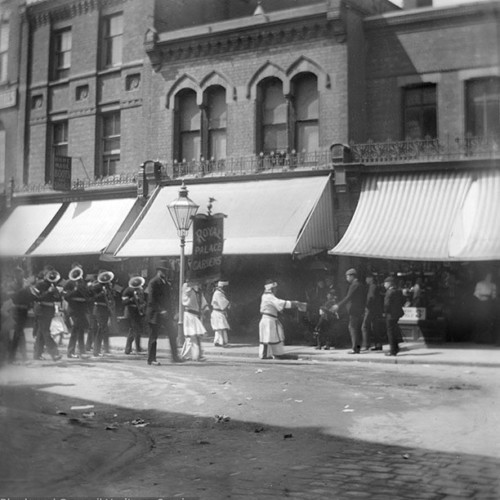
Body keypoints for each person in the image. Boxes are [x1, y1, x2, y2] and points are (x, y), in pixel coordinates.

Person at [258, 280, 306, 360]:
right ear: (271, 288)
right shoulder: (268, 296)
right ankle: (265, 355)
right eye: (275, 288)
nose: (276, 290)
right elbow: (282, 303)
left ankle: (278, 353)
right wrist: (296, 303)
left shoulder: (268, 296)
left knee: (275, 337)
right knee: (267, 337)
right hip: (268, 320)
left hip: (271, 320)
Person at [145, 266, 180, 365]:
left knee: (172, 334)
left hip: (166, 314)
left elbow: (169, 300)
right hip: (155, 314)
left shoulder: (166, 283)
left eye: (166, 271)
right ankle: (151, 359)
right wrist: (161, 310)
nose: (164, 273)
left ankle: (175, 357)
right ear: (158, 271)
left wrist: (171, 312)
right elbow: (151, 299)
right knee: (153, 337)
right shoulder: (153, 282)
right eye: (163, 271)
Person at [331, 268, 367, 354]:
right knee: (356, 328)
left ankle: (355, 348)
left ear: (352, 276)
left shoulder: (354, 285)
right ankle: (357, 347)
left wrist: (338, 305)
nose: (347, 278)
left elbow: (348, 297)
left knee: (352, 328)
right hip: (359, 309)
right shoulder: (361, 285)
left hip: (354, 310)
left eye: (347, 276)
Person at [32, 271, 62, 362]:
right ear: (46, 276)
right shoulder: (40, 285)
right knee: (46, 332)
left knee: (41, 332)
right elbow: (37, 298)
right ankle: (54, 353)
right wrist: (48, 292)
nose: (52, 278)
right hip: (41, 310)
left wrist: (56, 293)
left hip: (49, 311)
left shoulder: (54, 286)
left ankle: (37, 354)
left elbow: (58, 299)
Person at [64, 269, 91, 359]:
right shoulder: (69, 283)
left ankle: (82, 351)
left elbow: (87, 296)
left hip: (81, 310)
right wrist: (75, 290)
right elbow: (66, 296)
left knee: (81, 331)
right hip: (73, 310)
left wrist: (86, 288)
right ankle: (70, 352)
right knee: (75, 330)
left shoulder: (83, 283)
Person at [180, 281, 210, 361]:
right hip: (189, 314)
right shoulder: (187, 286)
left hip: (196, 315)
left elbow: (202, 300)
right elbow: (185, 296)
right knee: (192, 335)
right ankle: (193, 355)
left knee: (194, 336)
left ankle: (191, 355)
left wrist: (205, 309)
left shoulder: (198, 290)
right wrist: (192, 285)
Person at [8, 283, 37, 363]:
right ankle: (14, 358)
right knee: (18, 335)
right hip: (17, 312)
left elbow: (34, 297)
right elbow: (13, 296)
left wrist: (31, 291)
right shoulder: (12, 285)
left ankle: (21, 357)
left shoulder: (23, 287)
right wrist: (24, 289)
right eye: (20, 275)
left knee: (19, 335)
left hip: (23, 312)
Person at [92, 271, 114, 358]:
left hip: (105, 309)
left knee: (103, 329)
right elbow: (93, 298)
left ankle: (100, 350)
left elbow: (111, 297)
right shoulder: (96, 287)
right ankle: (96, 350)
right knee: (101, 329)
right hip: (99, 309)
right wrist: (101, 294)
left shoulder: (108, 287)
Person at [122, 276, 146, 354]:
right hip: (131, 312)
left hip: (138, 312)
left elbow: (142, 300)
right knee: (133, 330)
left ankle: (134, 348)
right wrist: (131, 300)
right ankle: (130, 349)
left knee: (136, 330)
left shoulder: (140, 289)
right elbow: (124, 302)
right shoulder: (128, 290)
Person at [471, 272, 497, 344]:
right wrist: (481, 298)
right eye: (488, 276)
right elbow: (476, 293)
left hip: (489, 304)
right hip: (480, 303)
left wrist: (490, 299)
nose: (489, 278)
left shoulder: (493, 285)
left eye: (490, 276)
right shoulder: (480, 284)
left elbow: (494, 295)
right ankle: (479, 340)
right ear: (484, 276)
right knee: (480, 320)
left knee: (488, 321)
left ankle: (488, 340)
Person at [383, 276, 405, 356]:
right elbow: (403, 301)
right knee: (394, 331)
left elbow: (386, 304)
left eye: (385, 283)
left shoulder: (389, 292)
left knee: (390, 333)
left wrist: (385, 312)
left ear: (389, 283)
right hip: (397, 314)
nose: (384, 285)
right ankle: (396, 348)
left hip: (390, 315)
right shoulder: (398, 291)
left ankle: (392, 350)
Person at [362, 274, 384, 351]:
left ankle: (366, 345)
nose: (366, 280)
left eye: (367, 278)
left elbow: (371, 298)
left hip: (370, 309)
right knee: (375, 327)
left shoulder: (372, 286)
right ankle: (378, 345)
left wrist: (366, 306)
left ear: (370, 278)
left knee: (364, 326)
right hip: (376, 310)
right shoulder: (375, 286)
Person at [211, 280, 231, 347]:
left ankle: (217, 341)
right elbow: (223, 303)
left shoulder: (219, 293)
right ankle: (222, 342)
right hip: (218, 313)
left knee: (219, 328)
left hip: (218, 312)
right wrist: (229, 304)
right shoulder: (218, 293)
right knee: (221, 328)